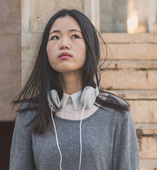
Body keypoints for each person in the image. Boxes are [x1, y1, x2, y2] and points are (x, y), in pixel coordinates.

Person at [10, 9, 140, 170]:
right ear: (46, 50)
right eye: (55, 37)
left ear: (89, 46)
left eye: (75, 36)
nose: (64, 44)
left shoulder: (116, 113)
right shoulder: (29, 113)